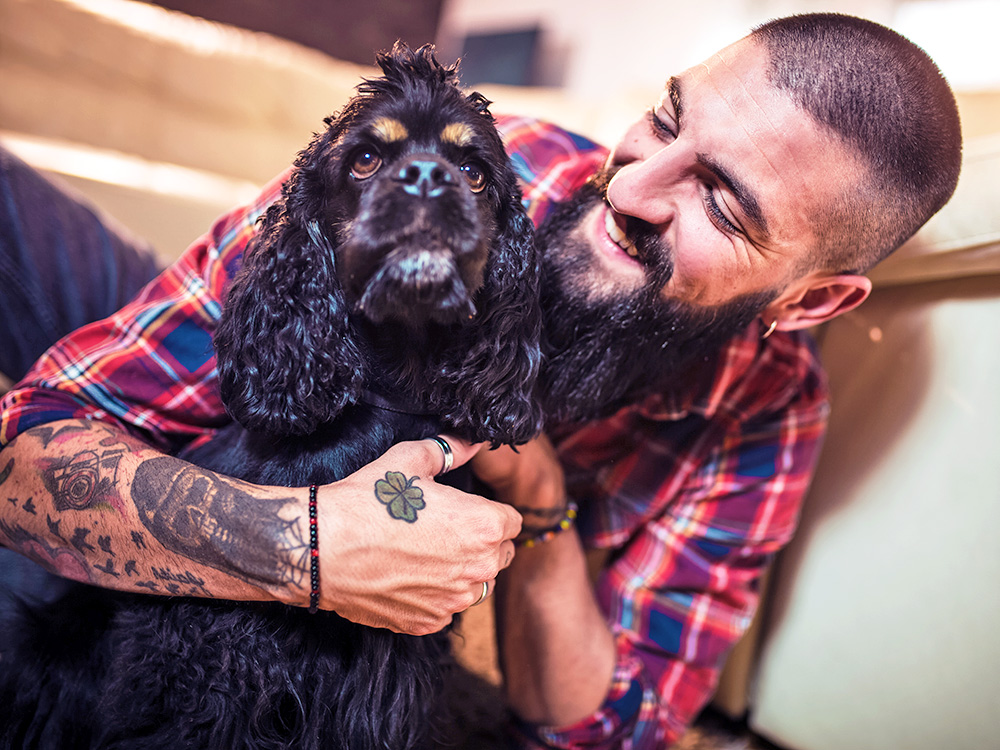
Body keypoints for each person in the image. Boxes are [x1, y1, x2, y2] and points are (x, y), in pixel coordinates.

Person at [0, 12, 961, 749]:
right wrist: (306, 550)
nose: (628, 190)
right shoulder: (502, 169)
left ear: (813, 301)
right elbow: (29, 449)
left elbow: (606, 731)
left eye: (720, 198)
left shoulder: (765, 412)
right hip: (239, 358)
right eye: (665, 119)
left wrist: (539, 502)